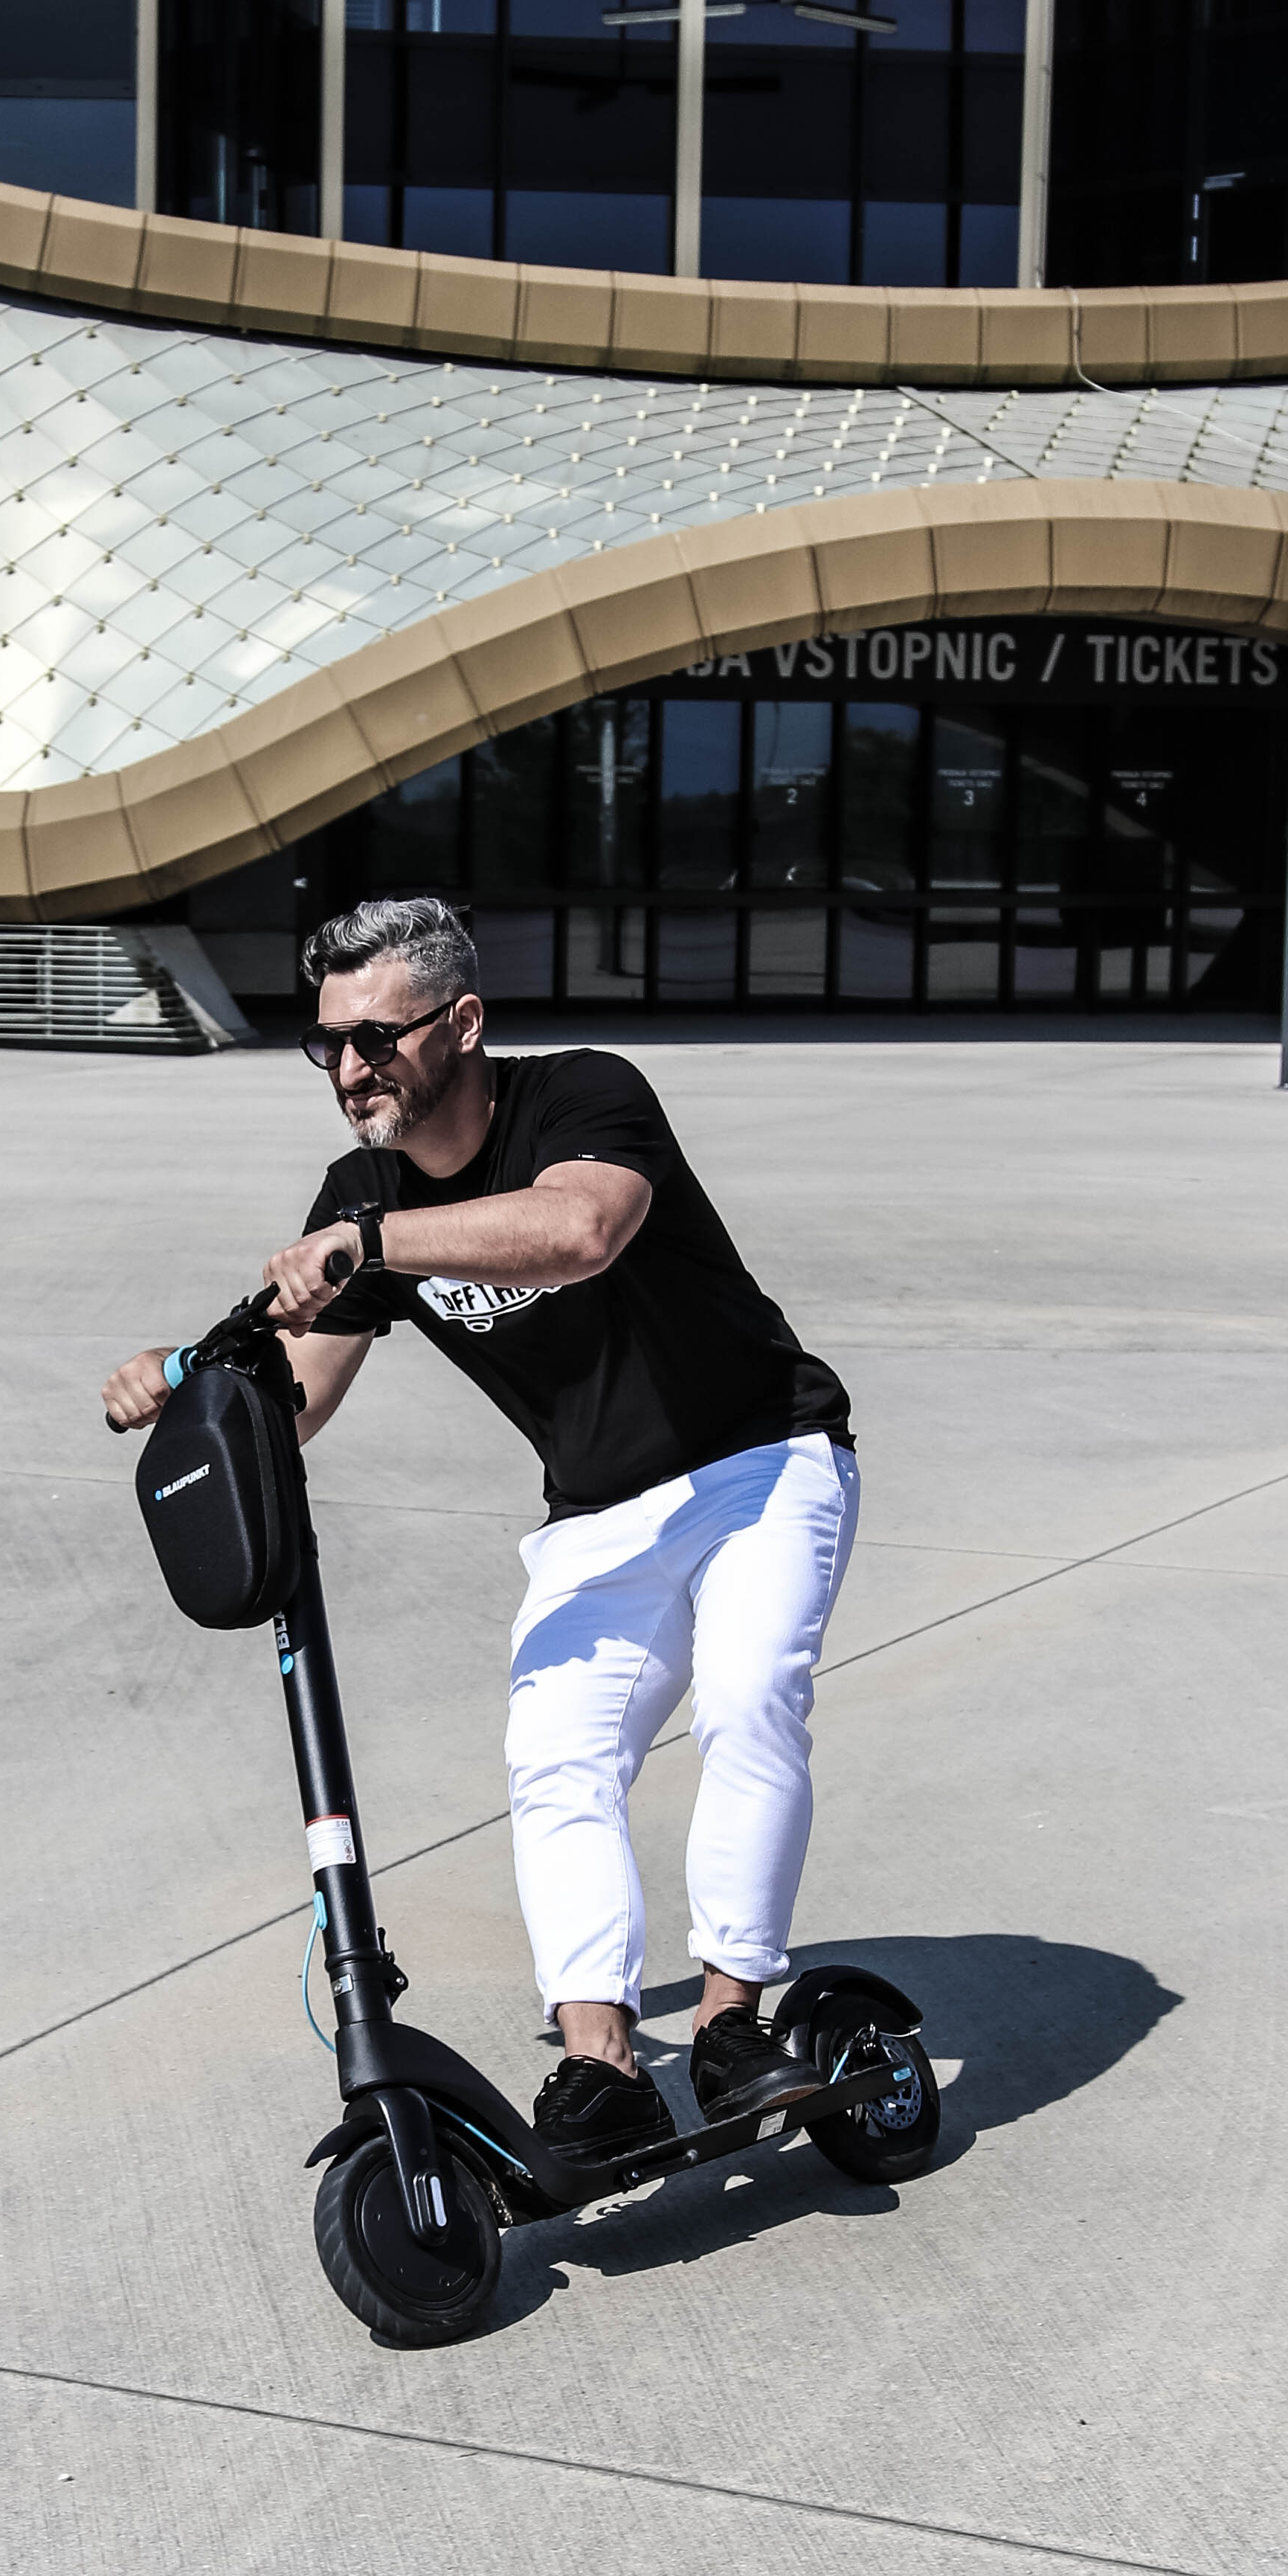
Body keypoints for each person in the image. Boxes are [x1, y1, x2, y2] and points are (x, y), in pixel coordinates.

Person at [102, 894, 857, 2167]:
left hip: (759, 1462)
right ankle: (601, 2064)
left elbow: (581, 1230)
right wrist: (189, 1393)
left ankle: (734, 2024)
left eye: (378, 1038)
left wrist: (370, 1244)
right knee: (555, 1758)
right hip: (596, 1508)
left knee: (747, 1699)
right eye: (329, 1043)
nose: (351, 1069)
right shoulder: (364, 1191)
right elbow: (299, 1400)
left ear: (461, 1024)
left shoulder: (581, 1096)